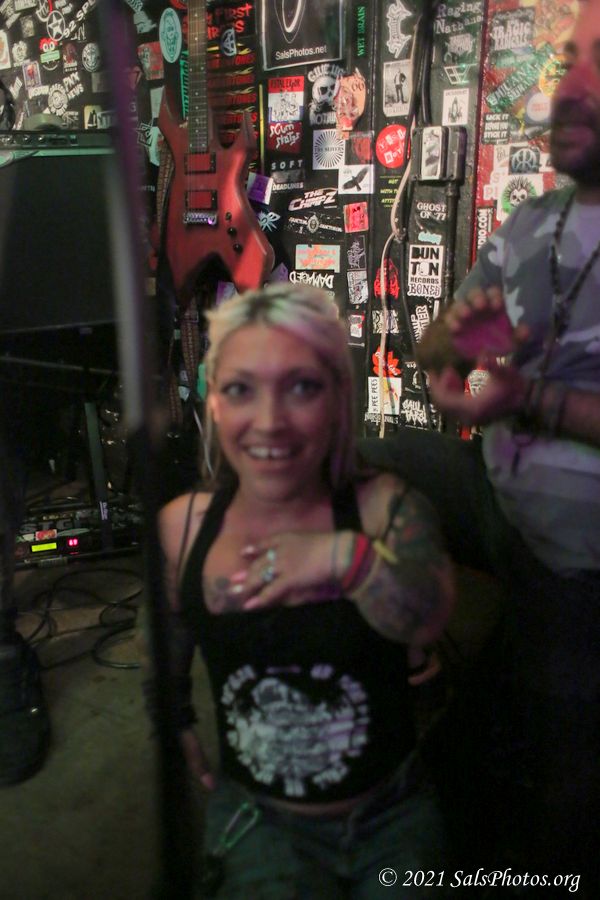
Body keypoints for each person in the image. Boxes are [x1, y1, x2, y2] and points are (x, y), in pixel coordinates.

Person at [359, 1, 600, 891]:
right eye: (568, 59)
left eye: (593, 63)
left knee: (535, 794)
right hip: (501, 495)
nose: (565, 86)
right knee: (357, 451)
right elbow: (441, 344)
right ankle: (413, 650)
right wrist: (454, 353)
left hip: (583, 554)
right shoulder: (533, 224)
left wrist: (528, 396)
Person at [150, 283, 454, 898]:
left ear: (338, 400)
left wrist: (348, 561)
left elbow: (428, 619)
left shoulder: (384, 509)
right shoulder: (182, 527)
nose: (270, 422)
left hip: (391, 816)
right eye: (242, 389)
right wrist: (172, 714)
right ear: (214, 402)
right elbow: (170, 628)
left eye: (302, 387)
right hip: (256, 821)